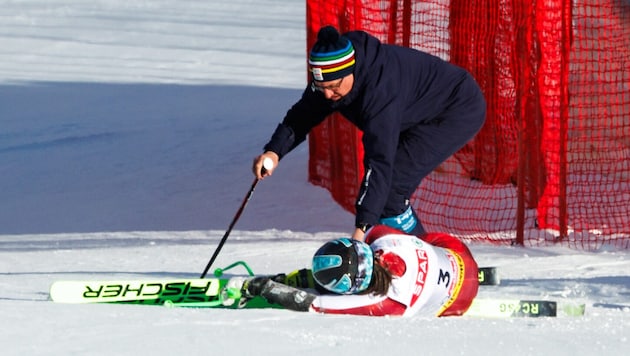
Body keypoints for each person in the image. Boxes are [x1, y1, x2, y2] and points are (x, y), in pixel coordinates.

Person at [252, 25, 486, 241]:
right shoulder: (330, 79)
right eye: (321, 88)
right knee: (386, 192)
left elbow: (379, 160)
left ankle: (429, 260)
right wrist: (274, 152)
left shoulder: (379, 92)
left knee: (392, 187)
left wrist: (361, 229)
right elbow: (301, 116)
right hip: (413, 112)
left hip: (455, 109)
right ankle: (403, 253)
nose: (327, 95)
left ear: (350, 72)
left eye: (333, 87)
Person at [243, 224, 479, 317]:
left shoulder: (388, 302)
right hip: (458, 253)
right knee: (419, 242)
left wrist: (269, 289)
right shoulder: (380, 236)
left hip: (458, 302)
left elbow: (314, 304)